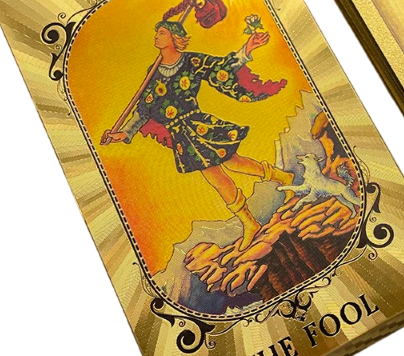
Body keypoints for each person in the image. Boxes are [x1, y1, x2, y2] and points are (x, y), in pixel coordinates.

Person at [102, 19, 294, 248]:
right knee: (217, 179)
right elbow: (144, 110)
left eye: (161, 32)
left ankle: (283, 179)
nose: (156, 36)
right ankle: (250, 222)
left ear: (173, 37)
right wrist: (124, 134)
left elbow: (220, 68)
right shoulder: (152, 72)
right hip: (181, 137)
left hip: (198, 125)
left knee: (233, 162)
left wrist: (247, 49)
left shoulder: (190, 61)